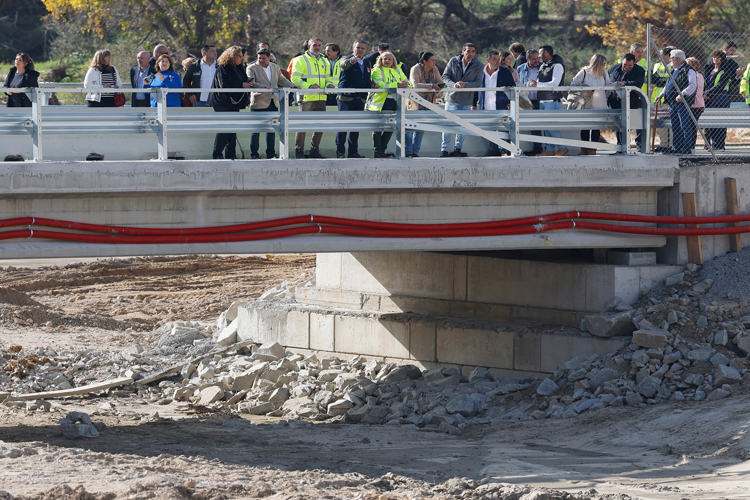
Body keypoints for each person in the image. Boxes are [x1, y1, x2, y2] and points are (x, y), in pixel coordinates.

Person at [246, 48, 297, 159]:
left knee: (272, 129)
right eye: (259, 58)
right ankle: (254, 154)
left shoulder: (275, 67)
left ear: (269, 57)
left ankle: (270, 154)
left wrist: (292, 85)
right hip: (258, 102)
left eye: (264, 58)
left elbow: (281, 80)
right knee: (255, 130)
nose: (261, 60)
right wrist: (263, 87)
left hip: (273, 102)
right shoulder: (251, 68)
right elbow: (252, 82)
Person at [291, 37, 334, 159]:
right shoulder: (300, 60)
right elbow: (294, 79)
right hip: (306, 98)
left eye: (319, 45)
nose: (317, 47)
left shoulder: (325, 61)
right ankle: (299, 151)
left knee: (320, 125)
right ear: (309, 46)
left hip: (321, 98)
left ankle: (314, 150)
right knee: (302, 126)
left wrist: (329, 84)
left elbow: (327, 78)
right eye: (314, 45)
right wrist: (309, 86)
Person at [207, 46, 253, 160]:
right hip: (222, 102)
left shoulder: (238, 67)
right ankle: (217, 154)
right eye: (240, 56)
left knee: (232, 130)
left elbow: (242, 79)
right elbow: (225, 84)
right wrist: (242, 85)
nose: (242, 58)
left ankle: (230, 154)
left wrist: (247, 81)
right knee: (224, 128)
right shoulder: (223, 67)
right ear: (233, 56)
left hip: (233, 102)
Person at [440, 42, 483, 157]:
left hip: (466, 100)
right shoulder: (453, 61)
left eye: (473, 51)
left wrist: (465, 85)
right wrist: (453, 85)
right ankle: (444, 150)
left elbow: (478, 83)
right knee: (448, 124)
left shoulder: (478, 65)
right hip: (452, 98)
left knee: (463, 125)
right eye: (468, 51)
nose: (471, 54)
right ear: (463, 52)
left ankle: (458, 149)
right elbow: (445, 77)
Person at [367, 51, 410, 158]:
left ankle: (382, 150)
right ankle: (378, 151)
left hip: (394, 102)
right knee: (377, 128)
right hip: (379, 103)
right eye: (384, 59)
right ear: (380, 60)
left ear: (393, 61)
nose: (387, 61)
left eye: (389, 59)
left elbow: (407, 81)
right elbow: (381, 84)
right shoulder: (377, 70)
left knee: (390, 127)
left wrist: (405, 84)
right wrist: (397, 84)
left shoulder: (397, 70)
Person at [474, 50, 516, 156]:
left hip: (501, 106)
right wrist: (474, 104)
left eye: (498, 59)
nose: (498, 61)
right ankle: (494, 149)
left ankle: (504, 149)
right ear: (488, 60)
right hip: (486, 106)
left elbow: (512, 87)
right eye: (494, 59)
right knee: (490, 129)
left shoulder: (505, 71)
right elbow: (476, 89)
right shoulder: (480, 72)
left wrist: (511, 101)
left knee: (502, 129)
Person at [336, 40, 374, 159]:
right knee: (343, 126)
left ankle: (353, 152)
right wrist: (351, 62)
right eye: (358, 48)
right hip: (346, 97)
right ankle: (340, 152)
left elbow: (366, 79)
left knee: (355, 127)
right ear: (353, 48)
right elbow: (344, 65)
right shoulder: (346, 59)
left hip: (360, 98)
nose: (360, 50)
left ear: (365, 50)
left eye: (363, 48)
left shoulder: (367, 62)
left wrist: (373, 85)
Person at [657, 49, 697, 155]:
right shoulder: (673, 70)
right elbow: (668, 85)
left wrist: (682, 94)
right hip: (673, 103)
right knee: (675, 126)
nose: (670, 60)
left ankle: (687, 148)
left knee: (685, 126)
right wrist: (661, 94)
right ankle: (676, 147)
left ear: (678, 59)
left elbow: (692, 85)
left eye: (672, 58)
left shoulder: (688, 70)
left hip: (683, 103)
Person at [570, 54, 610, 155]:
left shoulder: (604, 73)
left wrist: (617, 84)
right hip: (586, 102)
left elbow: (609, 84)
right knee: (585, 127)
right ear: (597, 63)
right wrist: (587, 89)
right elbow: (574, 84)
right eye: (603, 64)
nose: (604, 66)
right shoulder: (584, 72)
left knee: (596, 127)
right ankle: (584, 149)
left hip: (600, 102)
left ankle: (593, 149)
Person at [405, 51, 443, 158]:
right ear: (425, 62)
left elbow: (440, 81)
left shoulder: (434, 69)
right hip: (414, 103)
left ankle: (415, 151)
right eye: (432, 61)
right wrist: (432, 85)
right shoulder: (415, 69)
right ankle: (408, 152)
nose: (434, 63)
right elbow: (415, 85)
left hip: (428, 103)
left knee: (421, 128)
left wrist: (441, 86)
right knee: (409, 129)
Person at [531, 45, 567, 156]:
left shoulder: (558, 66)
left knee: (550, 125)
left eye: (540, 53)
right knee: (546, 127)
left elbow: (555, 83)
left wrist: (538, 85)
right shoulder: (544, 66)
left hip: (552, 100)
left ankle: (563, 147)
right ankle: (550, 150)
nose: (538, 55)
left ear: (546, 53)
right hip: (543, 100)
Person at [607, 52, 646, 148]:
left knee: (631, 124)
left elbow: (638, 83)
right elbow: (607, 79)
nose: (627, 67)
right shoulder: (614, 68)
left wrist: (624, 84)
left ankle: (636, 145)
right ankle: (621, 146)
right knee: (618, 124)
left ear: (634, 63)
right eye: (625, 64)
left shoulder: (639, 70)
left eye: (630, 65)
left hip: (630, 101)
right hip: (614, 101)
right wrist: (613, 88)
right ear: (622, 61)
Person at [704, 50, 732, 150]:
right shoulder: (709, 69)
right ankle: (714, 144)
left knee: (720, 124)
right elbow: (705, 83)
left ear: (722, 59)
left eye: (718, 57)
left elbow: (720, 85)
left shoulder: (725, 70)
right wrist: (704, 93)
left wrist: (707, 93)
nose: (715, 58)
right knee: (711, 124)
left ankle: (719, 145)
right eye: (714, 57)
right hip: (709, 100)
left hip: (720, 100)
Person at [516, 49, 543, 155]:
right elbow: (517, 82)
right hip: (525, 100)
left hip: (538, 100)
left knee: (536, 125)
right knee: (527, 125)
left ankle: (538, 149)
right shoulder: (520, 68)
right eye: (534, 59)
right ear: (527, 59)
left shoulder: (542, 67)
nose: (537, 60)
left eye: (538, 58)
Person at [651, 46, 675, 152]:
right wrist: (663, 79)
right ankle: (663, 144)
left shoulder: (673, 66)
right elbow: (653, 79)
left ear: (668, 56)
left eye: (662, 54)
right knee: (660, 124)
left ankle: (671, 144)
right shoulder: (657, 65)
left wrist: (661, 79)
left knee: (670, 123)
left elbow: (670, 81)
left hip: (668, 98)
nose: (660, 56)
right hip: (658, 99)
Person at [686, 57, 705, 154]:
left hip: (695, 104)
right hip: (695, 104)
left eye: (688, 64)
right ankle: (689, 146)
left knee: (691, 126)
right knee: (690, 125)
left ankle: (691, 146)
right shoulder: (696, 75)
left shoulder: (696, 75)